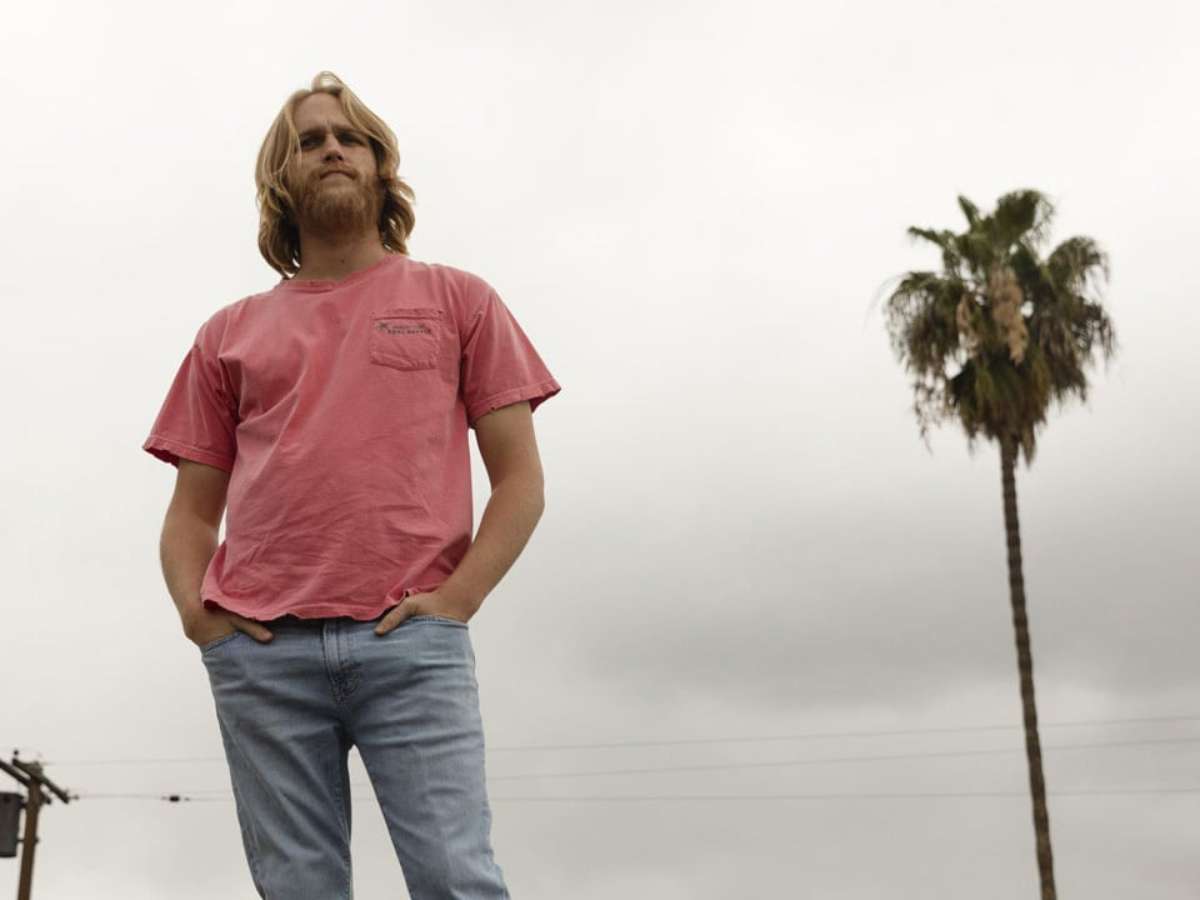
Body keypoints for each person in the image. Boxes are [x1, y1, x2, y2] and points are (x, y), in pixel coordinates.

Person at [142, 70, 561, 899]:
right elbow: (191, 512)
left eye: (349, 137)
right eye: (309, 141)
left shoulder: (459, 299)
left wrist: (458, 599)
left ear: (379, 164)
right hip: (262, 654)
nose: (331, 148)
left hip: (412, 641)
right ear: (282, 176)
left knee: (456, 881)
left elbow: (520, 481)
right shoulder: (226, 335)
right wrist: (199, 615)